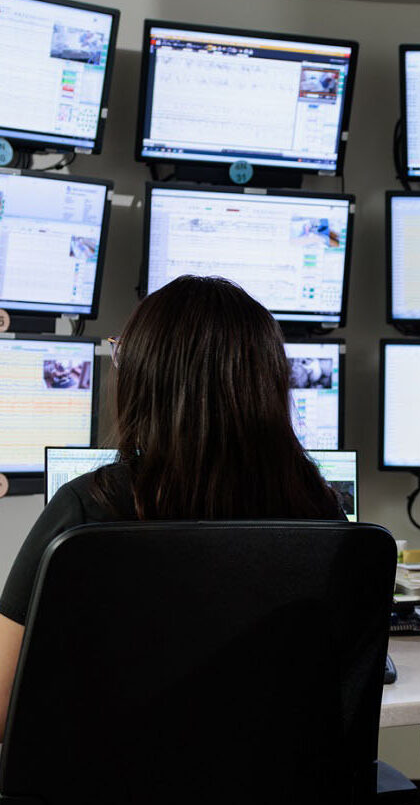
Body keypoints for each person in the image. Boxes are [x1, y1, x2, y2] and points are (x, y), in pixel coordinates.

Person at [0, 277, 346, 735]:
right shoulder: (323, 513)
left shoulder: (88, 510)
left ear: (145, 380)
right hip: (279, 802)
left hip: (111, 801)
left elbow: (3, 709)